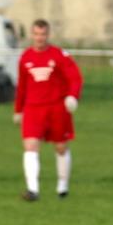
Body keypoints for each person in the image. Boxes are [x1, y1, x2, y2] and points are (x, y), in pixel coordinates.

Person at [13, 18, 83, 201]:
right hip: (33, 109)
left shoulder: (59, 55)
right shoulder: (25, 57)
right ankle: (32, 189)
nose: (39, 38)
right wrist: (18, 109)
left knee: (60, 147)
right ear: (32, 34)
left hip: (56, 108)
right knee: (30, 145)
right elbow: (22, 86)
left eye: (43, 34)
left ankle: (62, 186)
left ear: (48, 35)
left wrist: (72, 96)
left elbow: (75, 78)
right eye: (36, 34)